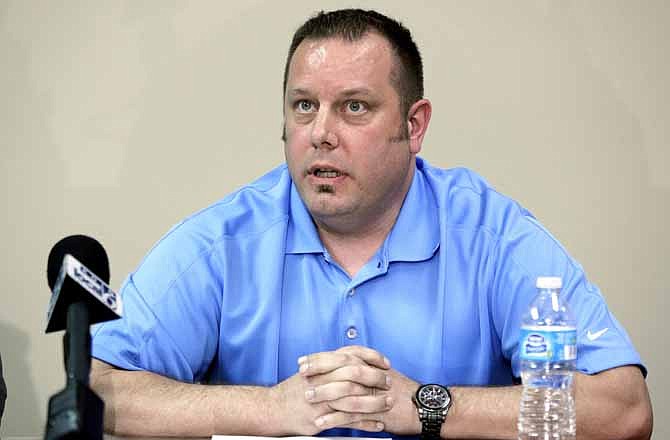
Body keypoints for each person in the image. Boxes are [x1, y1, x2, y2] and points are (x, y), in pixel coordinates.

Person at [89, 9, 653, 439]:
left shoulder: (490, 236)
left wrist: (427, 406)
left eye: (354, 106)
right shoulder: (225, 240)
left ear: (414, 124)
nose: (320, 133)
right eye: (303, 106)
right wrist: (273, 409)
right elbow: (98, 386)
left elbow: (621, 407)